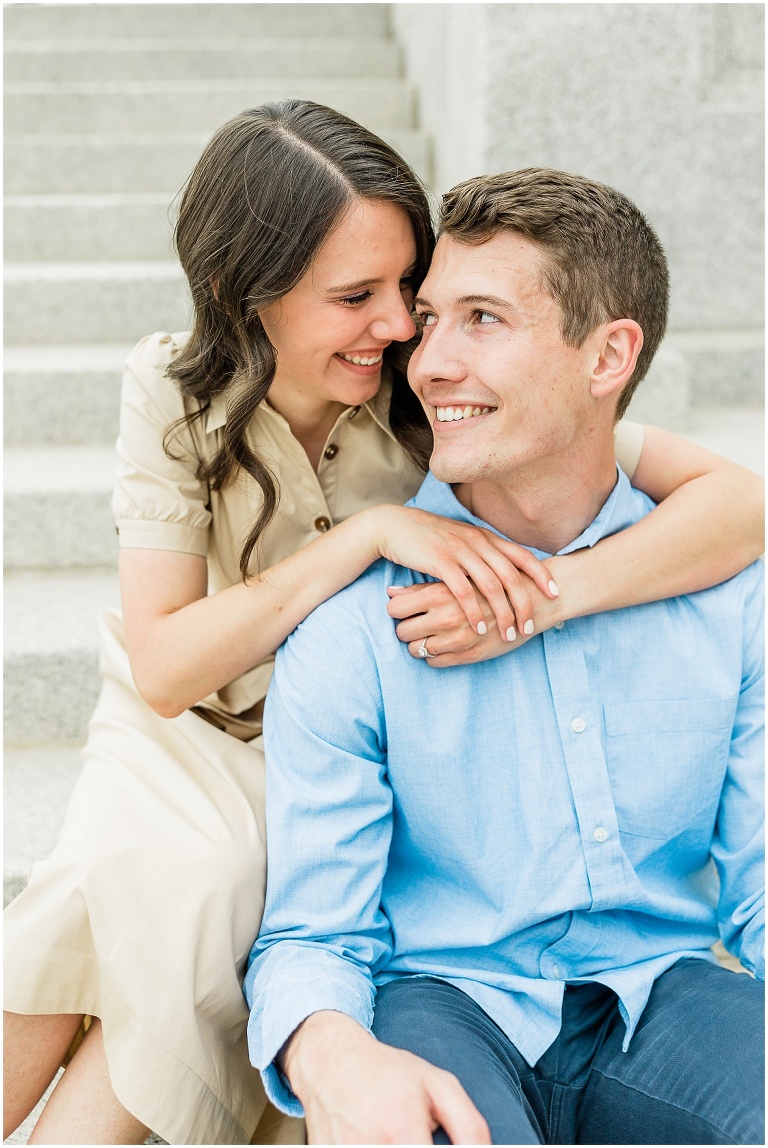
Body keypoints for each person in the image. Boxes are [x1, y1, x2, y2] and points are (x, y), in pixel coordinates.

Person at [2, 103, 763, 1147]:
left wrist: (548, 600)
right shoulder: (179, 389)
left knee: (163, 925)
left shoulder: (430, 408)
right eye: (362, 297)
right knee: (139, 881)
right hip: (187, 718)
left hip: (314, 727)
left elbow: (736, 505)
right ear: (245, 296)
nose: (409, 332)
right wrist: (366, 541)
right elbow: (169, 664)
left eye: (414, 291)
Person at [245, 168, 765, 1145]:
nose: (428, 361)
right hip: (447, 998)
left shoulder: (731, 598)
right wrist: (332, 1050)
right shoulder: (356, 628)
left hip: (666, 990)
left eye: (481, 318)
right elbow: (313, 931)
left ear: (609, 354)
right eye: (430, 318)